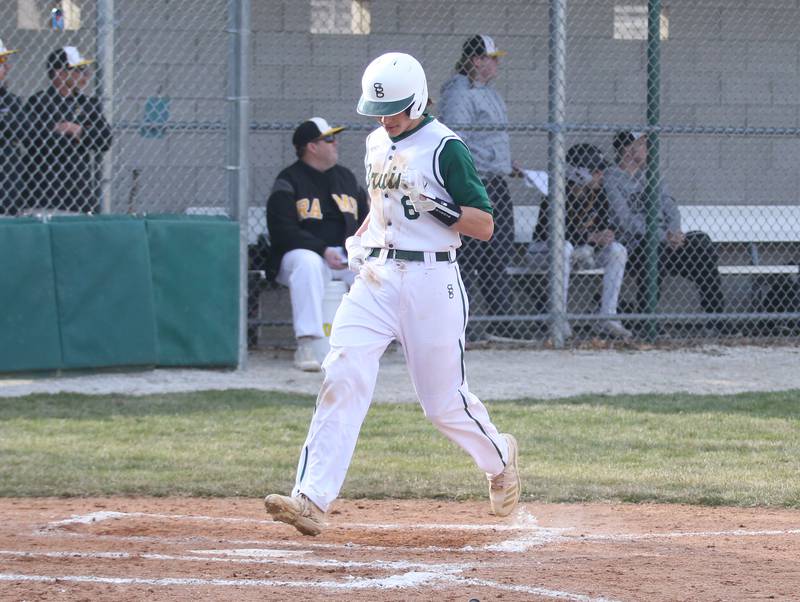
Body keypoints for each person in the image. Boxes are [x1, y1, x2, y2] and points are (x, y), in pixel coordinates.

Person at [264, 52, 521, 536]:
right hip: (378, 279)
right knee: (342, 373)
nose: (388, 118)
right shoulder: (375, 141)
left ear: (420, 99)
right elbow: (382, 211)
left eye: (398, 109)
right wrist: (362, 240)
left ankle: (499, 457)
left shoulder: (447, 147)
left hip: (432, 282)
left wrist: (440, 210)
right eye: (382, 110)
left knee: (442, 403)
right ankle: (312, 499)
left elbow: (483, 225)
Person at [267, 117, 369, 372]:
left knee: (373, 270)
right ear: (311, 147)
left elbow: (368, 220)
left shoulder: (346, 177)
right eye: (330, 139)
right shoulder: (289, 180)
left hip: (344, 255)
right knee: (308, 264)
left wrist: (358, 250)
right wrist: (321, 250)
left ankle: (367, 345)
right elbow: (282, 230)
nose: (336, 144)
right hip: (301, 257)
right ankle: (307, 345)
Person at [438, 34, 520, 340]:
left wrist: (505, 162)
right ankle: (461, 327)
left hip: (495, 181)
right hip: (475, 186)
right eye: (491, 57)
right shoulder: (460, 93)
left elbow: (488, 140)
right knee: (469, 257)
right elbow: (456, 143)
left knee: (497, 253)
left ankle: (501, 324)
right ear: (476, 60)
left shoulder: (488, 92)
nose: (497, 62)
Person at [605, 130, 726, 330]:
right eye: (642, 144)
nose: (647, 149)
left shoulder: (652, 175)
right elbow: (623, 219)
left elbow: (670, 206)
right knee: (654, 249)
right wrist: (661, 236)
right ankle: (647, 321)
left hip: (667, 241)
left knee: (702, 244)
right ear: (626, 149)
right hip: (637, 245)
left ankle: (717, 319)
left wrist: (674, 231)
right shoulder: (612, 177)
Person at [529, 143, 632, 339]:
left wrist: (605, 235)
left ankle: (607, 317)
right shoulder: (557, 193)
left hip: (584, 252)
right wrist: (590, 237)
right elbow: (553, 233)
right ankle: (558, 318)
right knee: (565, 247)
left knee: (617, 250)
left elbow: (602, 224)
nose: (601, 175)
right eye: (595, 171)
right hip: (542, 252)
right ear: (578, 172)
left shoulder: (598, 193)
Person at [19, 46, 112, 213]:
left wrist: (75, 130)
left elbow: (105, 139)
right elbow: (34, 140)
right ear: (60, 73)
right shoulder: (39, 101)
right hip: (44, 189)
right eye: (79, 70)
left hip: (78, 189)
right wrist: (83, 135)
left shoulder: (88, 103)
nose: (86, 75)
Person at [0, 38, 23, 215]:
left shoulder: (11, 100)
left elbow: (24, 130)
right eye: (2, 61)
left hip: (8, 192)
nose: (7, 68)